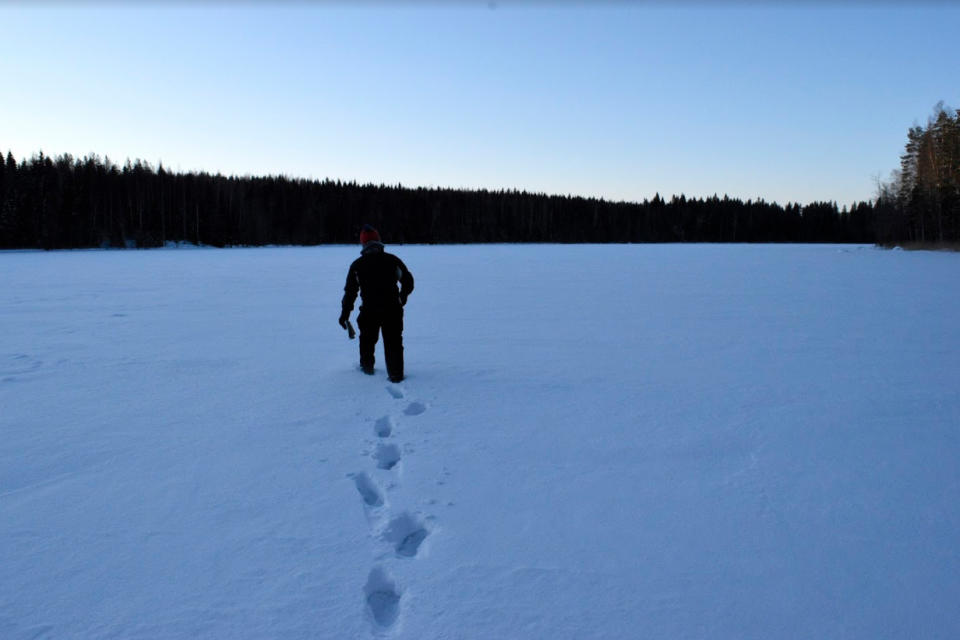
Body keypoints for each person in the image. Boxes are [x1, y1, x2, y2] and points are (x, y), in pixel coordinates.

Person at [339, 225, 414, 383]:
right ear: (379, 241)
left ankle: (367, 372)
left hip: (369, 311)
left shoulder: (357, 265)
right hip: (392, 309)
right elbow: (408, 281)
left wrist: (345, 313)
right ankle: (396, 375)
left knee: (366, 341)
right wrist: (402, 298)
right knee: (393, 342)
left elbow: (350, 292)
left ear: (363, 243)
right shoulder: (392, 260)